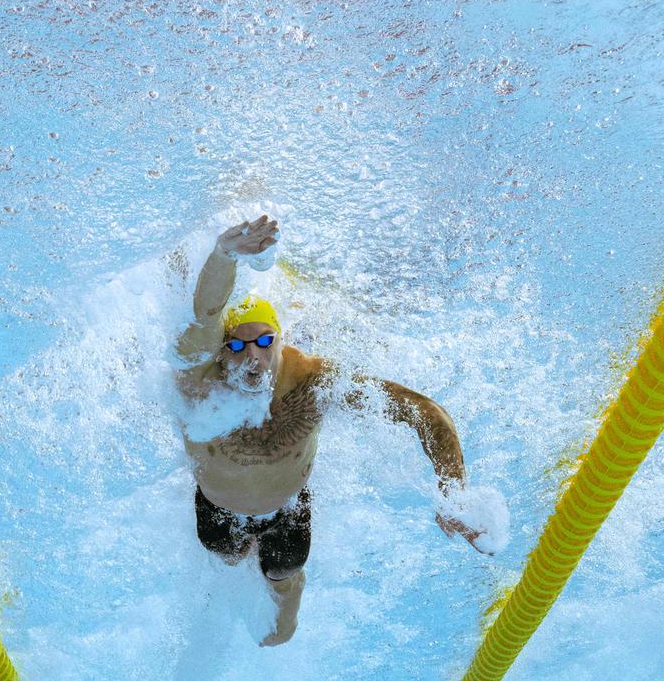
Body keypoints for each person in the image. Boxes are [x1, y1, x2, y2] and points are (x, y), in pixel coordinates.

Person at [175, 214, 503, 646]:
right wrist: (224, 255)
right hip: (217, 508)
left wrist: (454, 489)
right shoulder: (200, 378)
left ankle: (281, 596)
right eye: (236, 345)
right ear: (220, 349)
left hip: (287, 510)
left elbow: (423, 411)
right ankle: (235, 580)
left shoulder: (314, 381)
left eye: (264, 341)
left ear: (281, 340)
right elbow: (206, 312)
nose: (251, 357)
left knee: (282, 588)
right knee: (227, 556)